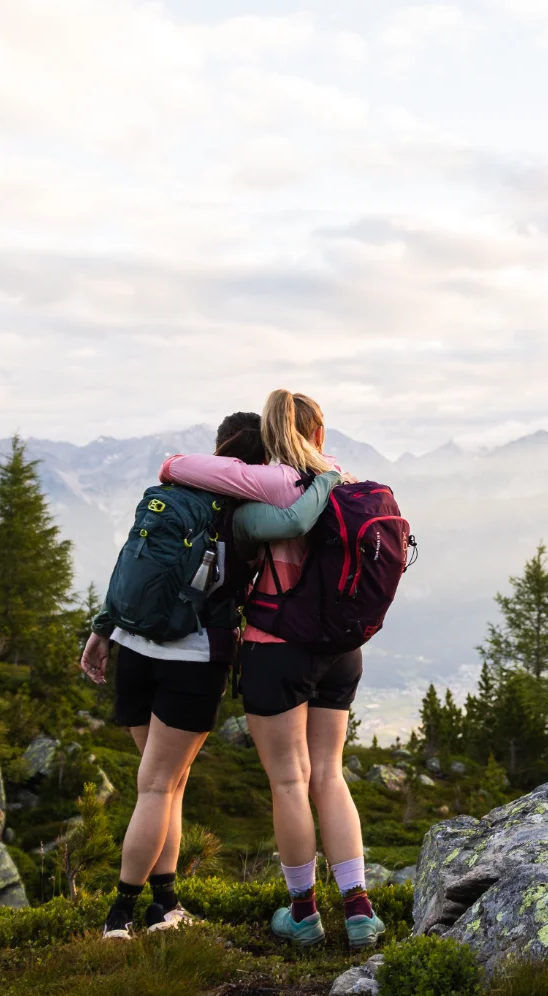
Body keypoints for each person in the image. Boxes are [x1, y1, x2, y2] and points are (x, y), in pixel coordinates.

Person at [78, 412, 330, 939]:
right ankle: (119, 918)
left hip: (133, 649)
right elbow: (294, 523)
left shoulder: (167, 492)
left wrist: (103, 629)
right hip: (191, 659)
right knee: (156, 787)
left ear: (218, 447)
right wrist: (326, 478)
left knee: (168, 785)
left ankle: (165, 907)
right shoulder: (240, 515)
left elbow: (132, 560)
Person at [156, 389, 384, 951]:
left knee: (289, 781)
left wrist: (233, 469)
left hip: (278, 646)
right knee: (329, 774)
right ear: (320, 433)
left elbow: (173, 467)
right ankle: (359, 911)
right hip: (342, 649)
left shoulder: (278, 481)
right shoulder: (349, 481)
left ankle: (303, 914)